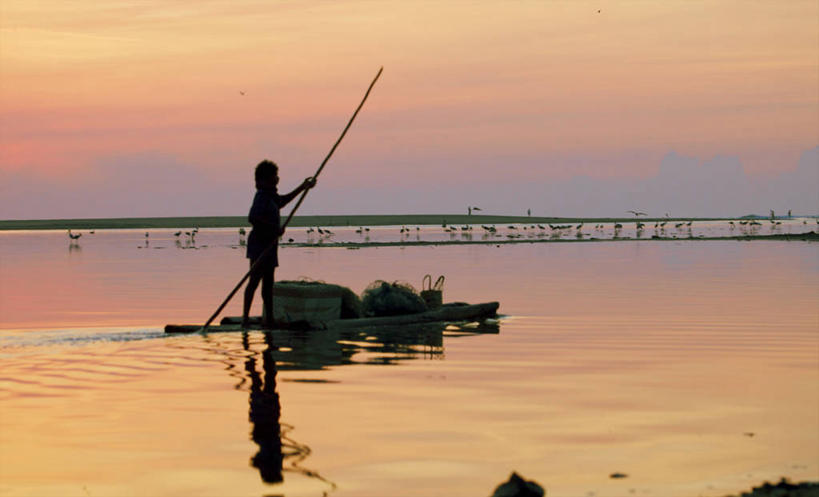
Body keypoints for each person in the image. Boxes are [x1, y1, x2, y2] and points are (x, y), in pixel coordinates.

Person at [242, 160, 315, 328]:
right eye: (274, 176)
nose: (277, 179)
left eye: (276, 175)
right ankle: (245, 320)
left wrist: (303, 187)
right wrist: (274, 229)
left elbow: (282, 202)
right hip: (260, 245)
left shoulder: (270, 195)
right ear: (263, 180)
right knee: (254, 281)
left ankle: (269, 318)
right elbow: (253, 218)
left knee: (268, 284)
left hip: (270, 245)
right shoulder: (261, 196)